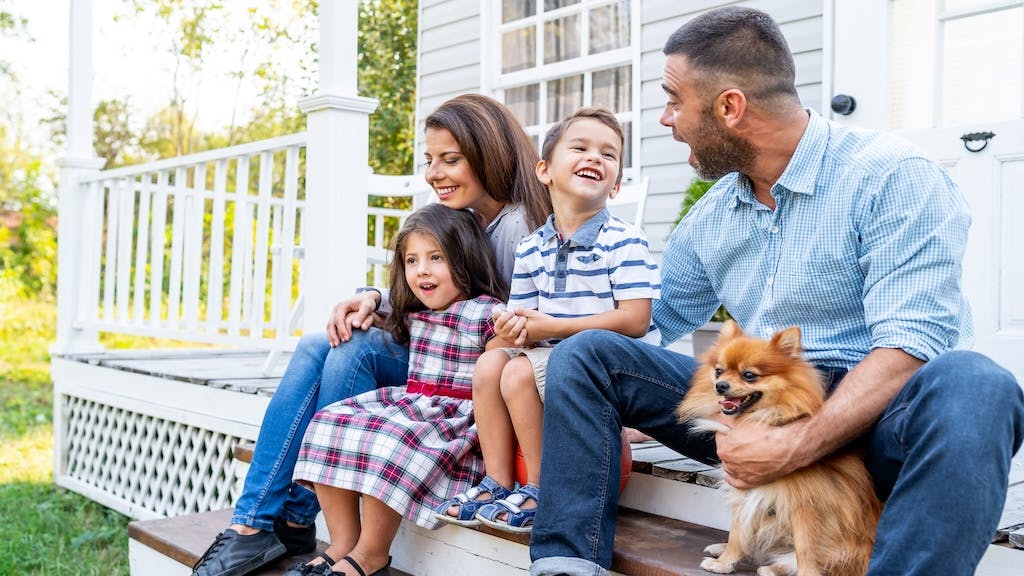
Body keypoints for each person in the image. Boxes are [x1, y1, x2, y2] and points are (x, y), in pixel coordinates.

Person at [529, 6, 1024, 576]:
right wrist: (530, 342)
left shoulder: (891, 176)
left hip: (877, 418)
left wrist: (794, 445)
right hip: (755, 407)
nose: (666, 119)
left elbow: (913, 343)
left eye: (673, 99)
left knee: (979, 385)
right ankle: (566, 563)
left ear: (730, 108)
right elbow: (650, 318)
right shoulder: (713, 216)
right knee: (588, 355)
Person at [191, 94, 551, 576]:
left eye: (450, 160)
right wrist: (373, 298)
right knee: (320, 342)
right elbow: (428, 277)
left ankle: (321, 522)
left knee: (350, 351)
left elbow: (498, 315)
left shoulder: (518, 229)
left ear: (488, 154)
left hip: (469, 374)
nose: (434, 174)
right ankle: (257, 522)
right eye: (429, 160)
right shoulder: (461, 212)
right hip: (436, 349)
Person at [433, 108, 661, 534]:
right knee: (491, 363)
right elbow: (520, 317)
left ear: (616, 185)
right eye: (580, 148)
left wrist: (549, 328)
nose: (595, 157)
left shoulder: (625, 240)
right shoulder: (532, 247)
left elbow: (635, 319)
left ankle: (540, 486)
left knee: (518, 372)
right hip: (553, 358)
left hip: (611, 368)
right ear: (544, 171)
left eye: (608, 155)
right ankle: (497, 481)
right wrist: (510, 329)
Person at [284, 203, 512, 576]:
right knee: (329, 420)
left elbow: (497, 381)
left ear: (465, 257)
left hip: (456, 420)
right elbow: (390, 321)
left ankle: (372, 554)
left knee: (391, 440)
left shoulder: (488, 314)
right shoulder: (413, 311)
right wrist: (370, 311)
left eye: (436, 257)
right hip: (414, 403)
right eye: (412, 260)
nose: (422, 269)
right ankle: (342, 543)